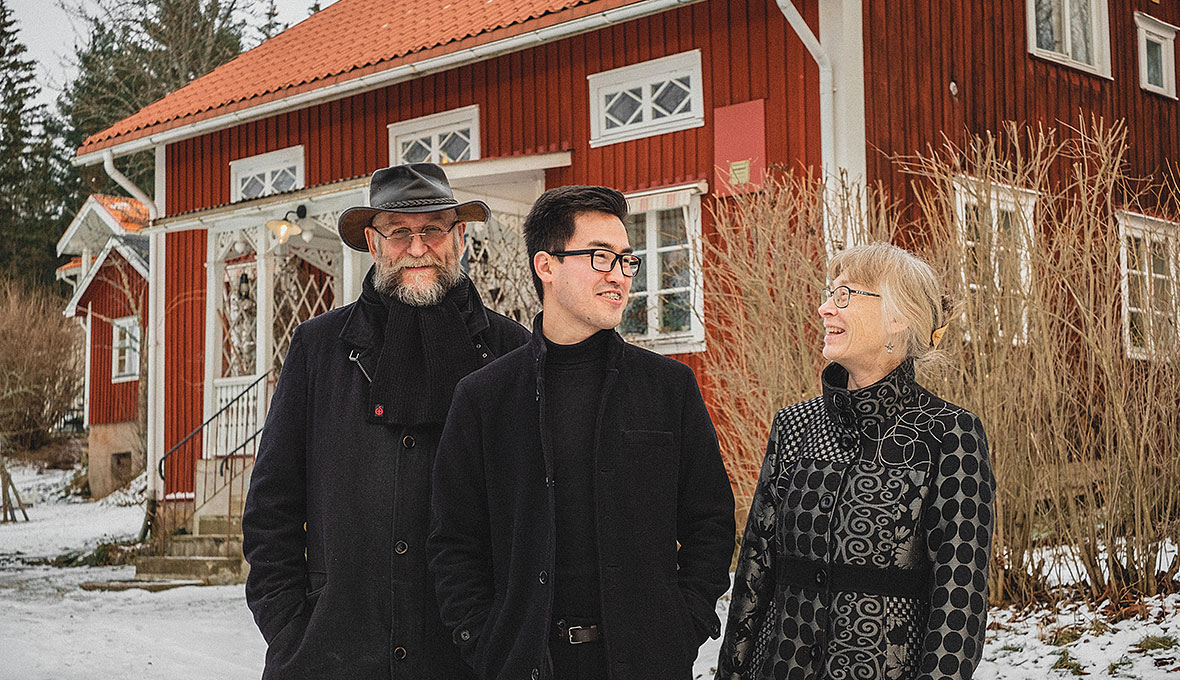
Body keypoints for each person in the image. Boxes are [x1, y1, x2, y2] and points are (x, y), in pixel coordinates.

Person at [428, 185, 735, 680]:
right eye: (600, 257)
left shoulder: (668, 388)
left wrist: (685, 624)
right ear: (546, 266)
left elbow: (710, 522)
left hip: (646, 662)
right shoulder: (484, 398)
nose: (620, 276)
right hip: (527, 664)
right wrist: (484, 642)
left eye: (626, 260)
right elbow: (454, 541)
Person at [242, 163, 530, 679]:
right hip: (336, 656)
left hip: (471, 660)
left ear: (459, 238)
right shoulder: (319, 349)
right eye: (399, 231)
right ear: (374, 245)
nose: (417, 247)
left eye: (433, 229)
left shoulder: (512, 353)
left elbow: (536, 510)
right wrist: (292, 629)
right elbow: (272, 508)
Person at [716, 243, 994, 680]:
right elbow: (756, 571)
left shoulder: (948, 433)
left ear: (899, 316)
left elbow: (960, 598)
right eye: (830, 293)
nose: (826, 308)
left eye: (845, 295)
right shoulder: (795, 425)